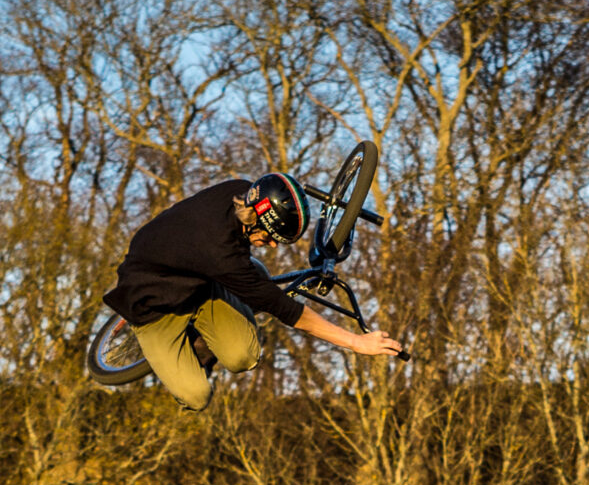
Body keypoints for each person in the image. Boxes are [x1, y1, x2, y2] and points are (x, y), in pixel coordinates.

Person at [101, 171, 405, 410]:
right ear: (255, 221)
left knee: (243, 357)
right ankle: (185, 340)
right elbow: (292, 314)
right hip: (153, 307)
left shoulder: (242, 190)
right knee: (197, 396)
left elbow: (279, 190)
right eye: (270, 237)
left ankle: (224, 309)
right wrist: (355, 342)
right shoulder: (221, 255)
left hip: (198, 280)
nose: (271, 245)